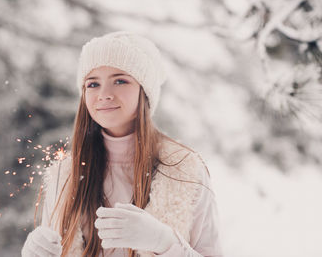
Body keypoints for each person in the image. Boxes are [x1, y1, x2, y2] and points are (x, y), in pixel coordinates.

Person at [21, 31, 224, 257]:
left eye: (120, 81)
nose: (104, 94)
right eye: (93, 84)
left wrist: (165, 243)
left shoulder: (184, 170)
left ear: (144, 91)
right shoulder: (65, 177)